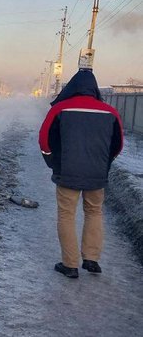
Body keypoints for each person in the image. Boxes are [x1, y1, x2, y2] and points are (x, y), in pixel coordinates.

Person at [38, 69, 123, 278]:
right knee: (94, 212)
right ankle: (92, 259)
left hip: (67, 172)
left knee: (67, 215)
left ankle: (70, 264)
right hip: (96, 173)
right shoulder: (110, 112)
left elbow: (44, 140)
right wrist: (104, 163)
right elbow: (118, 145)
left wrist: (52, 162)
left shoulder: (60, 108)